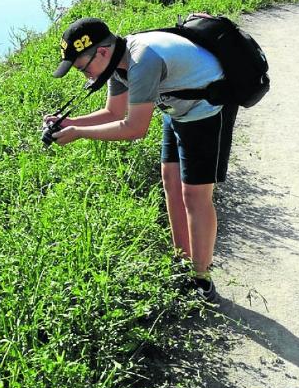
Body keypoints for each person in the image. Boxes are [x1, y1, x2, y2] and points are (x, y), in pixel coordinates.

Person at [45, 17, 238, 303]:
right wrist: (69, 122)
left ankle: (202, 279)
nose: (84, 76)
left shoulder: (141, 61)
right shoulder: (116, 62)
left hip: (206, 109)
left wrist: (79, 133)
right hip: (176, 105)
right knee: (171, 181)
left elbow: (135, 128)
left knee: (195, 195)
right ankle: (181, 261)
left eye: (82, 68)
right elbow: (114, 112)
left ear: (101, 52)